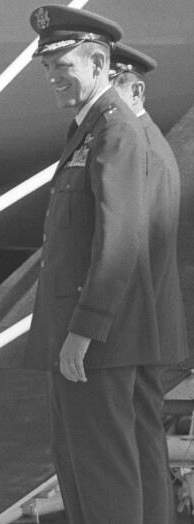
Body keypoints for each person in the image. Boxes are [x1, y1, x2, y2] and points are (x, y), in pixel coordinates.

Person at [24, 6, 188, 523]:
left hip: (98, 339)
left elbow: (119, 244)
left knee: (98, 472)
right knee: (128, 463)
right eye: (47, 67)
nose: (52, 77)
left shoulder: (114, 133)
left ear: (98, 62)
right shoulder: (98, 129)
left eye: (63, 65)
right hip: (111, 334)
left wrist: (83, 331)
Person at [109, 42, 189, 521]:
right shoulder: (147, 141)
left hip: (139, 324)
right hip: (146, 321)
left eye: (112, 84)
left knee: (134, 441)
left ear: (135, 89)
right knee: (141, 438)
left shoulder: (139, 147)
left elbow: (132, 244)